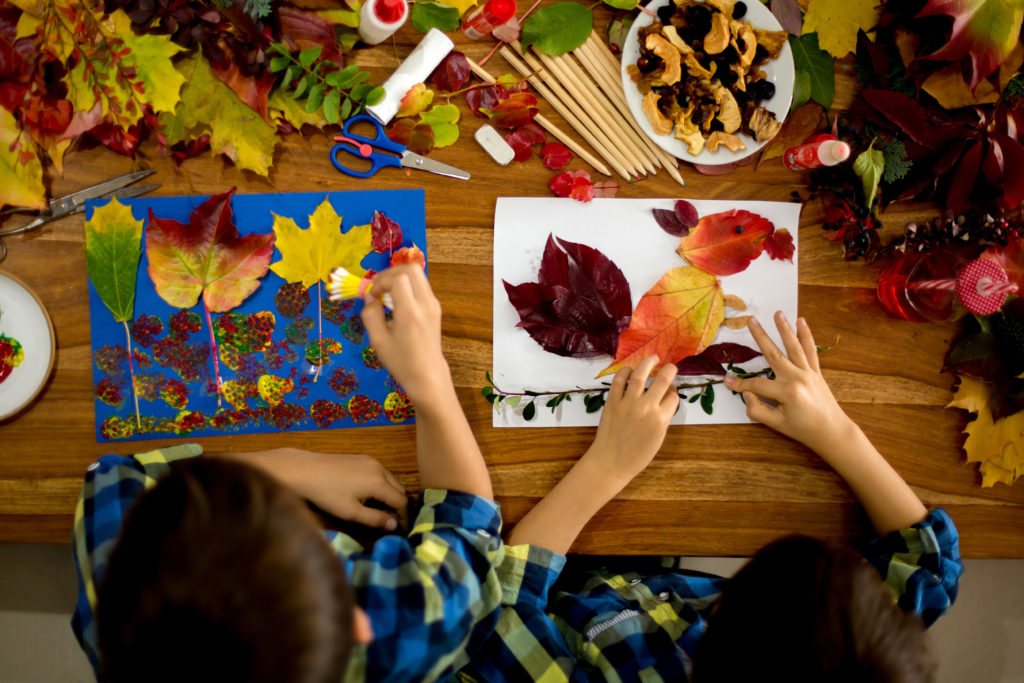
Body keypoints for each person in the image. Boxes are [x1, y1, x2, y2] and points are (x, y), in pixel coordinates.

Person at [455, 311, 963, 683]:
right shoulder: (859, 659)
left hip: (560, 589)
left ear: (715, 633)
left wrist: (606, 466)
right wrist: (836, 431)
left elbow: (495, 612)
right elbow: (928, 564)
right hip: (630, 580)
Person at [72, 264, 505, 683]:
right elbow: (467, 536)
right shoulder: (398, 641)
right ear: (359, 630)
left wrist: (282, 465)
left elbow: (113, 478)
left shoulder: (121, 604)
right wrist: (431, 387)